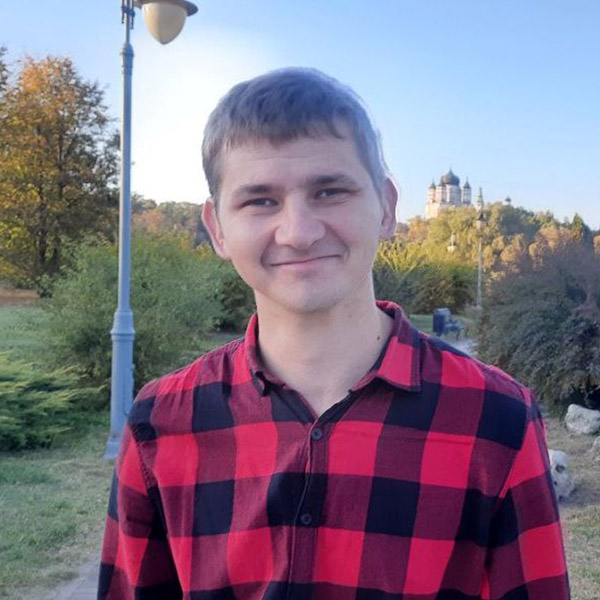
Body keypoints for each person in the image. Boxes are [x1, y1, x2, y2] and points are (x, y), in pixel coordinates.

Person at [98, 68, 570, 600]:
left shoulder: (497, 419)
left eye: (329, 191)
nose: (299, 232)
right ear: (218, 229)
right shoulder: (161, 423)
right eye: (260, 201)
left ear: (387, 208)